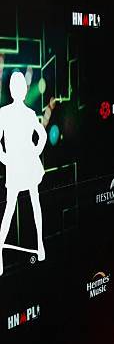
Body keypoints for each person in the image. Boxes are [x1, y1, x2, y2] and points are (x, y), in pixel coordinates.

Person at [0, 71, 47, 276]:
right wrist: (5, 158)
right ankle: (37, 245)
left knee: (31, 204)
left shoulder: (26, 113)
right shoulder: (4, 113)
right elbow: (42, 135)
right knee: (11, 208)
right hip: (18, 166)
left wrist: (34, 152)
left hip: (25, 165)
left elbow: (42, 135)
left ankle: (40, 245)